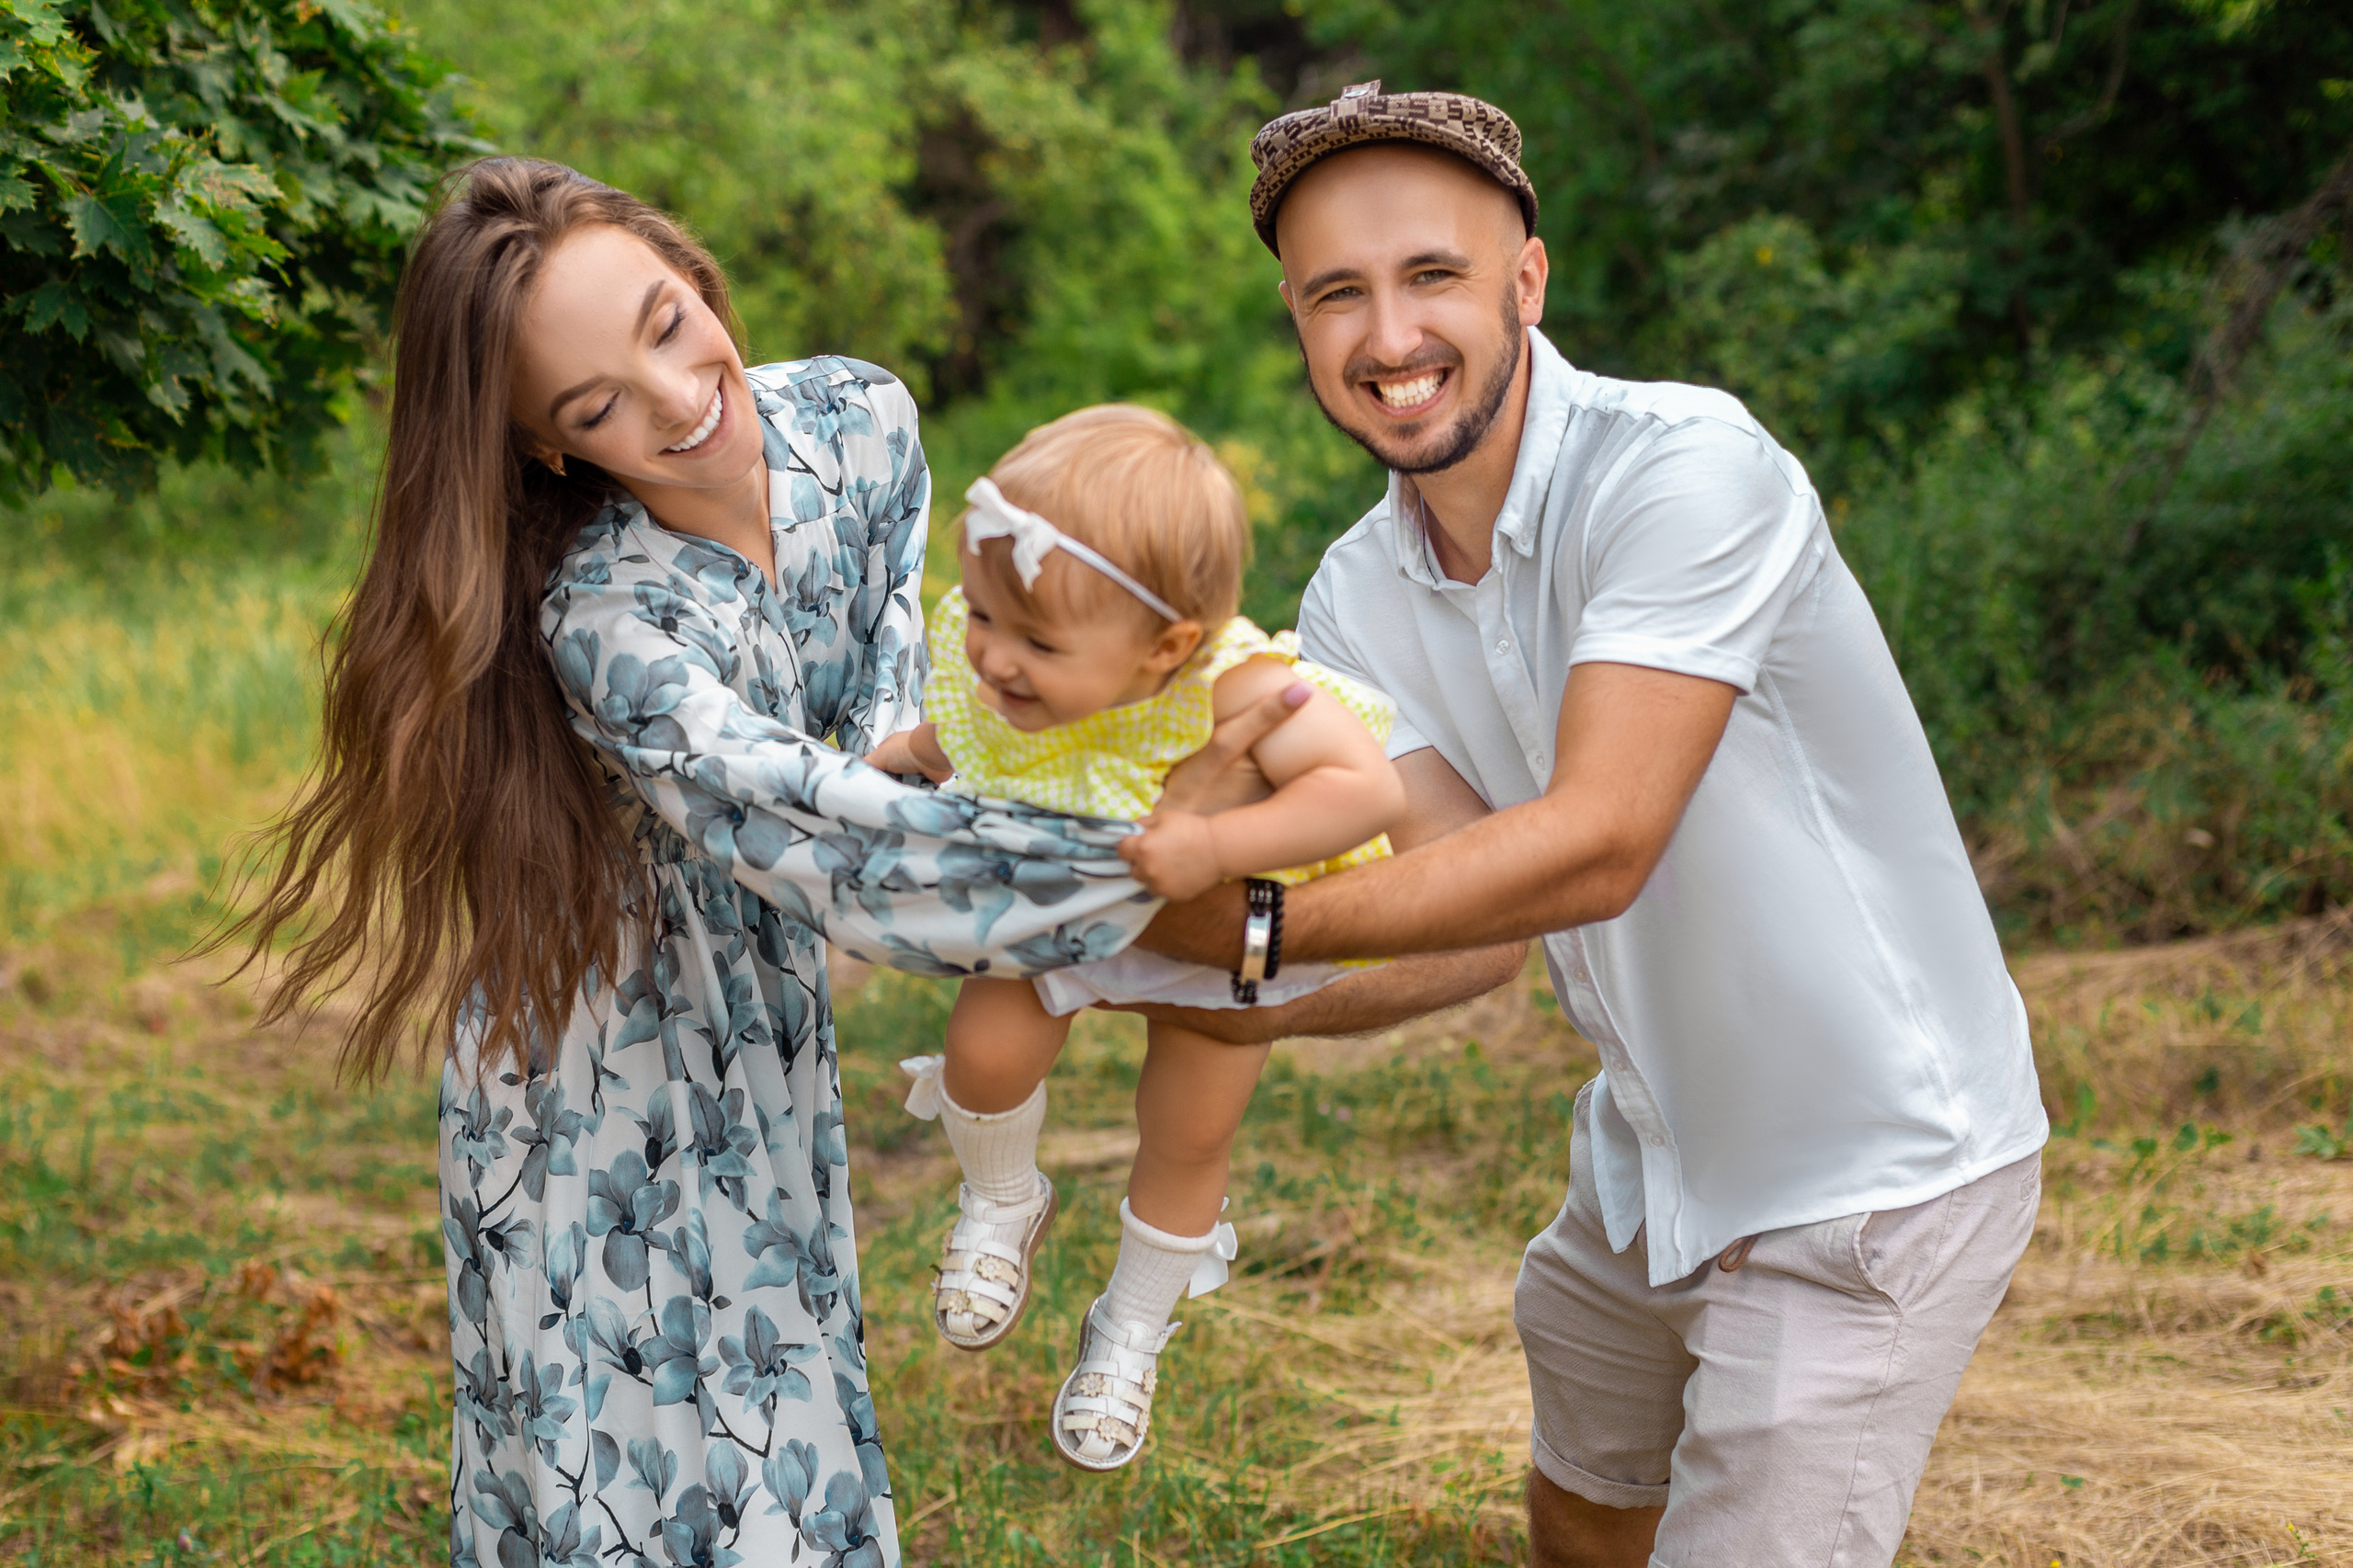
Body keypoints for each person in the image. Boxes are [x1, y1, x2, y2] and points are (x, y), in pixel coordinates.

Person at [222, 159, 1296, 1568]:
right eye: (595, 403)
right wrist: (1213, 884)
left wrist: (1152, 758)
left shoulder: (864, 421)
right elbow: (834, 846)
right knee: (617, 1503)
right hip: (581, 1099)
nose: (673, 397)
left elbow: (910, 722)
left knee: (789, 1472)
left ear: (695, 271)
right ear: (547, 448)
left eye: (669, 322)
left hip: (764, 1047)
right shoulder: (607, 615)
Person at [1128, 85, 2049, 1568]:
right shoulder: (1361, 591)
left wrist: (1251, 923)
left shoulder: (1690, 467)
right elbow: (1465, 924)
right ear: (1298, 324)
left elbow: (1596, 840)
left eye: (1432, 275)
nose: (1389, 339)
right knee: (1581, 1517)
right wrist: (1157, 971)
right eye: (1336, 296)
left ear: (1527, 281)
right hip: (1649, 1150)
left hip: (1872, 1170)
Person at [869, 404, 1404, 1471]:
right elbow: (964, 726)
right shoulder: (991, 663)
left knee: (1189, 1126)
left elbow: (1364, 786)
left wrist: (1220, 842)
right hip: (1069, 897)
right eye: (980, 618)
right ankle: (1004, 1195)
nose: (994, 660)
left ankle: (1131, 1325)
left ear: (1167, 646)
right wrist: (909, 751)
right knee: (985, 1049)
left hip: (1225, 915)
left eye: (1035, 642)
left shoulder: (1240, 686)